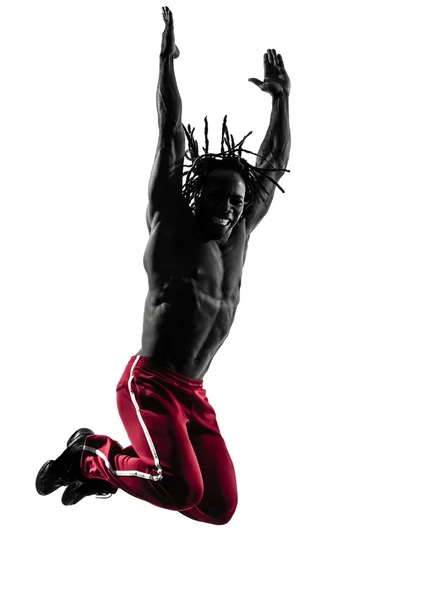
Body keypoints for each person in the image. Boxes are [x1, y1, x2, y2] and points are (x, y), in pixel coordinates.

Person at [35, 6, 291, 525]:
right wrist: (164, 62)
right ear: (197, 195)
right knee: (177, 488)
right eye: (217, 197)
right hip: (150, 381)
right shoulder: (171, 225)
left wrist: (282, 102)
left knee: (218, 506)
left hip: (193, 392)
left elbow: (271, 165)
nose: (228, 207)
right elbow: (169, 128)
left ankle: (101, 467)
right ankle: (91, 453)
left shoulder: (240, 234)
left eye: (236, 201)